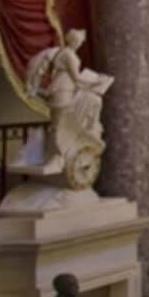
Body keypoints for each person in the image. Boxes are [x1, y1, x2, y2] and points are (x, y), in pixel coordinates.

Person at [22, 28, 113, 188]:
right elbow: (77, 78)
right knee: (59, 124)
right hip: (63, 91)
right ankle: (57, 157)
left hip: (62, 90)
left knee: (63, 120)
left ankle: (61, 153)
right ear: (75, 41)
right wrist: (97, 81)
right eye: (80, 41)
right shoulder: (69, 55)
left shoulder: (62, 52)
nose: (80, 44)